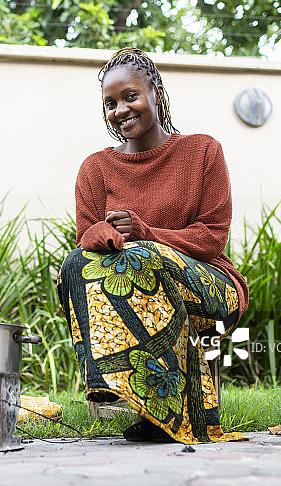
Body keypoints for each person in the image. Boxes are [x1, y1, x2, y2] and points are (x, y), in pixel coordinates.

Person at [57, 47, 249, 444]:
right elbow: (85, 238)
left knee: (142, 256)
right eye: (110, 103)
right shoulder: (95, 169)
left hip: (212, 287)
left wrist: (145, 233)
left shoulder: (202, 151)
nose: (120, 110)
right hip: (139, 284)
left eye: (131, 96)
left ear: (156, 92)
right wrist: (99, 236)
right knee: (76, 264)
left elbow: (212, 237)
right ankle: (119, 386)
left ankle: (170, 410)